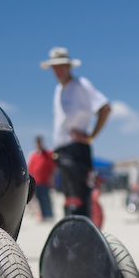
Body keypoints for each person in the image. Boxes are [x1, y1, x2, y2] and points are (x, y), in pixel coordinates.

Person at [40, 47, 111, 217]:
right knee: (69, 200)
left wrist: (90, 136)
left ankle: (83, 237)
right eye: (55, 67)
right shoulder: (59, 90)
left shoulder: (81, 85)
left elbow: (105, 108)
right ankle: (74, 237)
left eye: (62, 66)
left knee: (79, 200)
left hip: (77, 149)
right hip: (63, 150)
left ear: (69, 66)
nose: (59, 70)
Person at [27, 135, 56, 219]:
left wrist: (52, 178)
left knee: (46, 199)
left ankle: (49, 216)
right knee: (38, 200)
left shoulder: (48, 154)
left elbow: (53, 167)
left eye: (39, 141)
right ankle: (43, 216)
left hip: (45, 182)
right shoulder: (33, 155)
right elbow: (30, 169)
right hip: (36, 182)